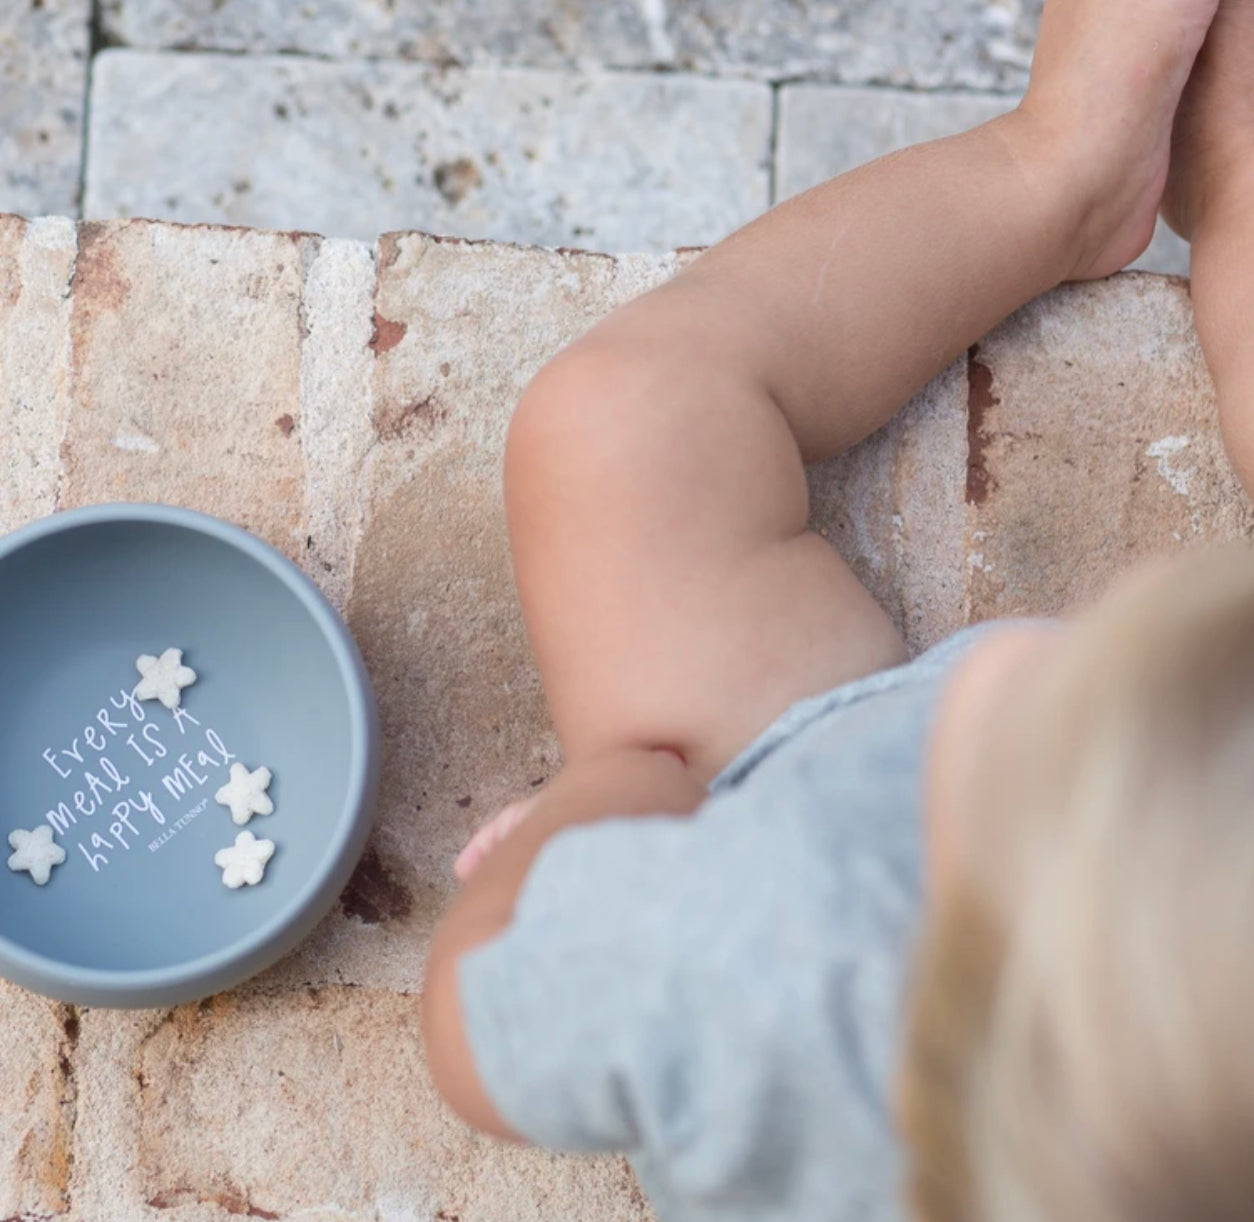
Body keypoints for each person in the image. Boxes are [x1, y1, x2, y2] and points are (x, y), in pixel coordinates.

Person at [423, 0, 1254, 1217]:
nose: (1014, 665)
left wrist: (613, 799)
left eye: (1033, 752)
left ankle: (1060, 167)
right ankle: (1229, 178)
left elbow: (469, 1021)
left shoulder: (755, 965)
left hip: (771, 779)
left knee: (619, 425)